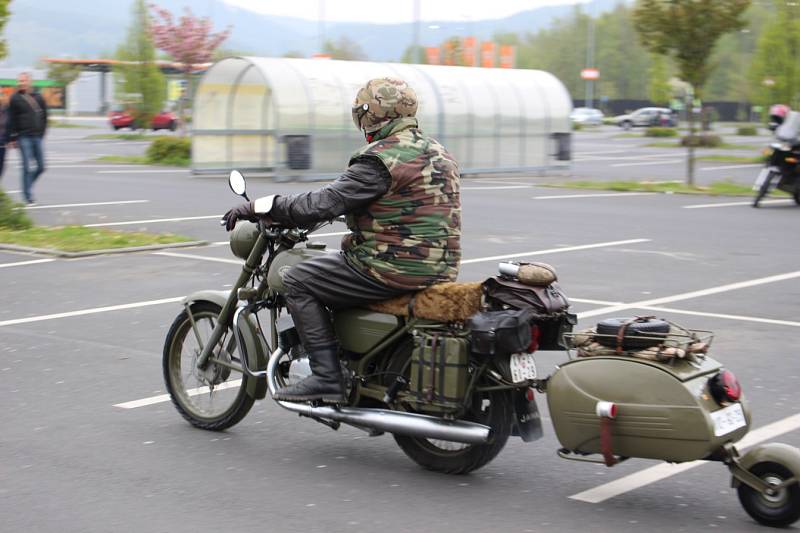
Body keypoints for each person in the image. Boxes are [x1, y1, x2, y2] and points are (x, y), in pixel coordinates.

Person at [222, 77, 462, 403]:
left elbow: (319, 204)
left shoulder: (380, 159)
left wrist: (258, 206)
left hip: (391, 266)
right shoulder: (438, 151)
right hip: (441, 267)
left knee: (298, 279)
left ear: (370, 114)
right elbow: (404, 205)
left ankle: (326, 376)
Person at [7, 72, 48, 205]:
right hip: (23, 137)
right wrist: (12, 137)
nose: (21, 83)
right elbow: (11, 118)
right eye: (19, 81)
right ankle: (27, 195)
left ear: (29, 82)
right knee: (26, 166)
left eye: (23, 81)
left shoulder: (38, 97)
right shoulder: (14, 98)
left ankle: (27, 185)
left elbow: (45, 116)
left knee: (41, 167)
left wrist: (42, 133)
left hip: (37, 136)